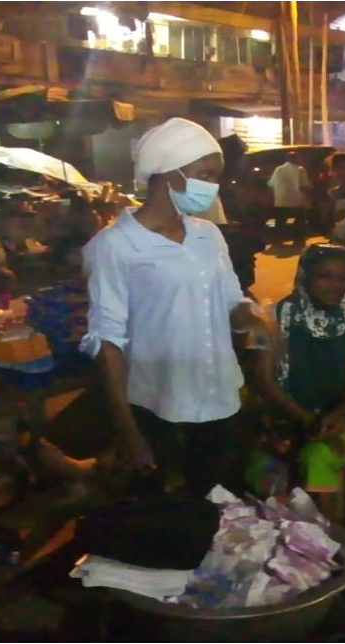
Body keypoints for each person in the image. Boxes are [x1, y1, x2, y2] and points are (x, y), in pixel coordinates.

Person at [81, 118, 271, 496]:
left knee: (220, 505)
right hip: (158, 406)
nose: (212, 185)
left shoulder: (208, 234)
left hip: (220, 397)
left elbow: (232, 304)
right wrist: (129, 432)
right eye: (203, 173)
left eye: (215, 176)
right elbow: (107, 342)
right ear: (164, 172)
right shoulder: (115, 246)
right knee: (166, 516)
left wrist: (253, 316)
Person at [244, 244, 345, 519]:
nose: (335, 285)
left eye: (343, 277)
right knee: (268, 475)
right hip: (280, 414)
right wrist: (304, 419)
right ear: (305, 277)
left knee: (321, 461)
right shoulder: (270, 318)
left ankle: (325, 544)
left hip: (332, 417)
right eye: (324, 276)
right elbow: (264, 381)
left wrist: (337, 416)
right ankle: (280, 548)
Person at [267, 150, 312, 246]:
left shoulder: (278, 169)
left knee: (280, 222)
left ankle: (278, 240)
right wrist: (308, 194)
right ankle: (298, 239)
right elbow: (304, 185)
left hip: (281, 201)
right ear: (296, 158)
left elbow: (271, 184)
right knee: (299, 220)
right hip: (297, 201)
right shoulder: (300, 169)